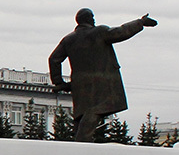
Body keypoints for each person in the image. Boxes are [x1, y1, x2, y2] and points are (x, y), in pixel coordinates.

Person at [48, 8, 157, 142]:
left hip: (80, 84)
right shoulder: (99, 32)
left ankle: (78, 146)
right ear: (88, 19)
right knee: (96, 110)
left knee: (81, 116)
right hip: (102, 82)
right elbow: (120, 32)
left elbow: (54, 59)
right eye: (92, 17)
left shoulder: (68, 39)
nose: (94, 19)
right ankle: (82, 145)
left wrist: (59, 82)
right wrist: (140, 22)